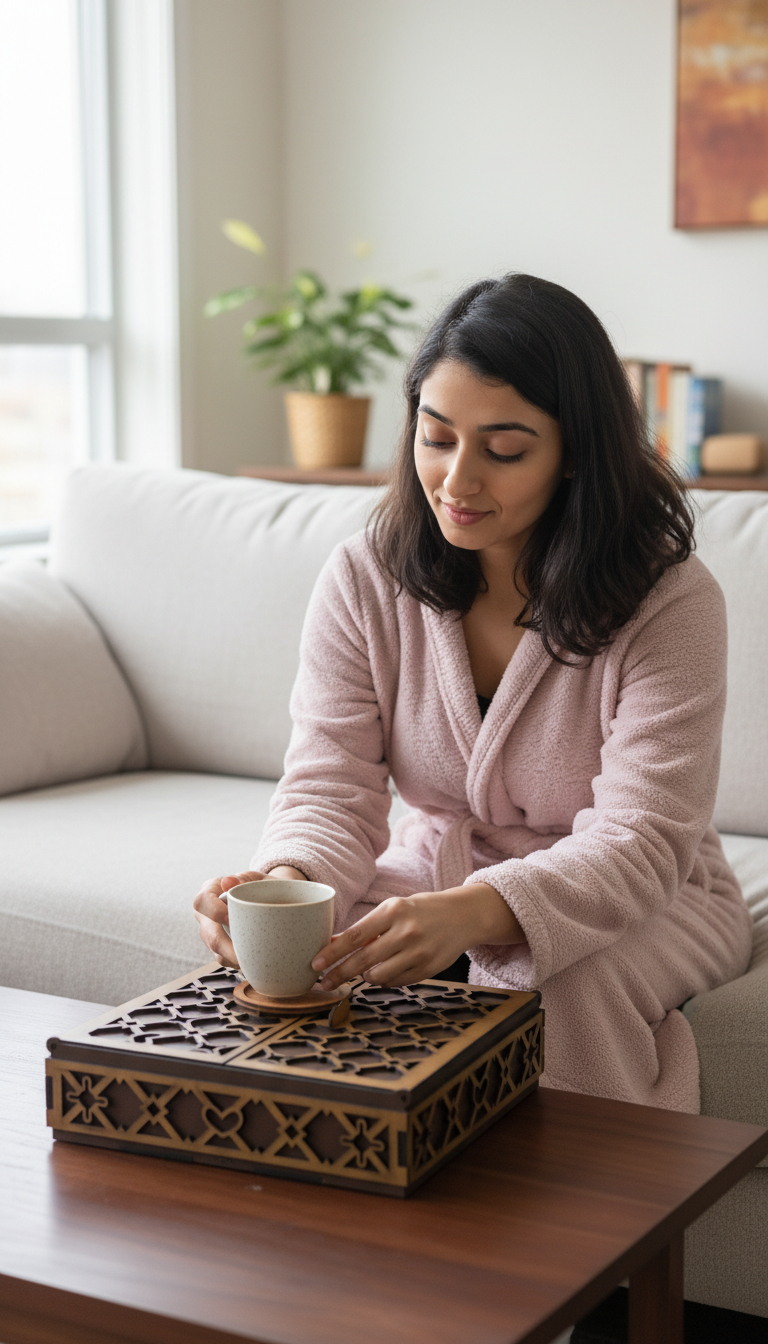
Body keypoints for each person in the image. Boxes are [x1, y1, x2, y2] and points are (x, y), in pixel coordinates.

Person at [194, 273, 752, 1112]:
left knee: (559, 988)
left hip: (650, 895)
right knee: (319, 966)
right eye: (436, 436)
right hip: (440, 869)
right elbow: (329, 785)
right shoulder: (364, 579)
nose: (456, 480)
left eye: (505, 448)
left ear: (575, 455)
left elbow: (643, 839)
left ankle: (581, 1229)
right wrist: (284, 880)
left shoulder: (669, 601)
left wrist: (483, 912)